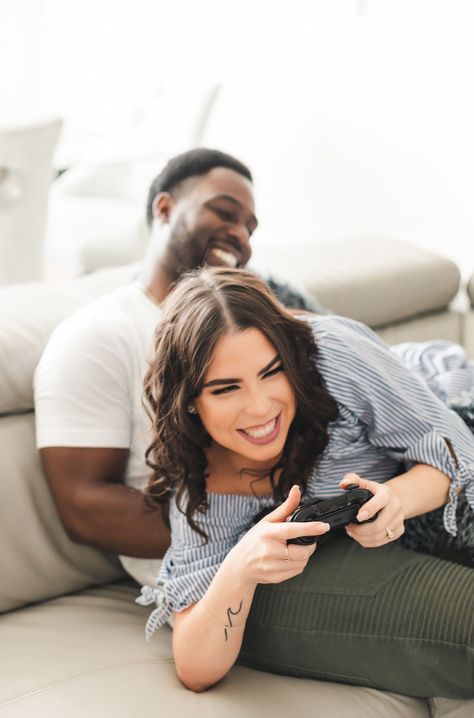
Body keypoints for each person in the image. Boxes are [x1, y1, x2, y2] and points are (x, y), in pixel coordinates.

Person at [138, 266, 474, 698]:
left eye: (271, 371)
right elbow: (196, 667)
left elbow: (454, 450)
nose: (259, 408)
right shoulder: (202, 487)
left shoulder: (332, 354)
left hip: (440, 396)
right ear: (189, 403)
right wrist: (237, 570)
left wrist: (397, 500)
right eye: (225, 389)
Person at [34, 147, 319, 586]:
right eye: (224, 212)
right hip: (222, 575)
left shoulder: (260, 318)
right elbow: (83, 506)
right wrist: (253, 536)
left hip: (332, 521)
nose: (239, 234)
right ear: (164, 208)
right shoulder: (97, 335)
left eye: (249, 227)